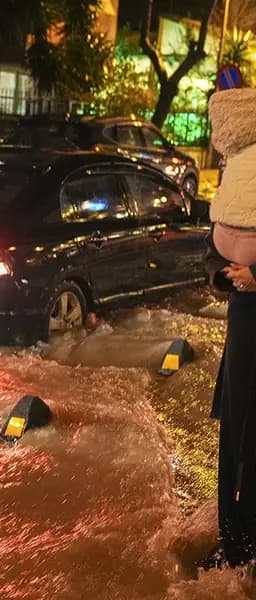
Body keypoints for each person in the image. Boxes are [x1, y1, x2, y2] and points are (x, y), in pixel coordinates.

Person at [205, 87, 256, 568]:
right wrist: (229, 275)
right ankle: (233, 547)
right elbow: (210, 257)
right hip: (242, 343)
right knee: (235, 445)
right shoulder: (240, 184)